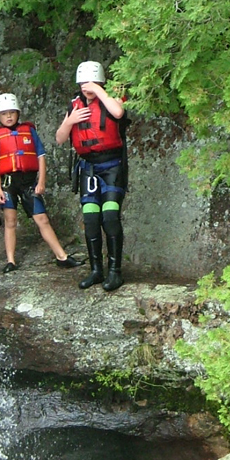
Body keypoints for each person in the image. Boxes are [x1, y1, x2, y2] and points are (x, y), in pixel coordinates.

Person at [0, 93, 82, 273]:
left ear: (18, 113)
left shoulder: (29, 131)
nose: (8, 116)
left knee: (42, 219)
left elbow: (40, 156)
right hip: (9, 183)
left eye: (12, 112)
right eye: (4, 113)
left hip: (29, 182)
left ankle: (62, 256)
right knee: (10, 220)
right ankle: (11, 261)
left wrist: (42, 181)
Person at [55, 61, 128, 291]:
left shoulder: (111, 98)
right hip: (88, 167)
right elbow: (59, 138)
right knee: (91, 219)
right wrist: (70, 121)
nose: (87, 87)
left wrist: (99, 90)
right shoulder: (74, 105)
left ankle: (115, 272)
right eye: (84, 83)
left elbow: (118, 112)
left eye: (92, 83)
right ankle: (97, 270)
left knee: (110, 215)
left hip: (112, 166)